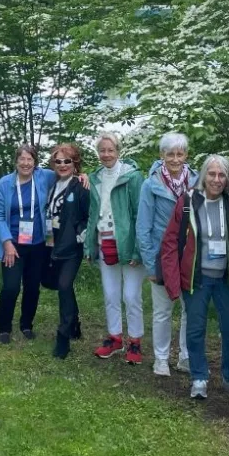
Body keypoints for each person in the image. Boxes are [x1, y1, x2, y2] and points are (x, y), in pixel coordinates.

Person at [160, 154, 229, 400]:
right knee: (195, 329)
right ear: (203, 175)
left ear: (227, 179)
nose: (216, 179)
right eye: (212, 174)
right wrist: (173, 283)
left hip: (226, 280)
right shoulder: (187, 201)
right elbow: (170, 243)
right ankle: (199, 377)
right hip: (196, 278)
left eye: (221, 175)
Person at [136, 132, 195, 377]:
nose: (175, 159)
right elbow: (143, 227)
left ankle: (185, 356)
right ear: (162, 156)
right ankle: (161, 358)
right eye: (170, 154)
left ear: (186, 155)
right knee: (162, 310)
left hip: (190, 257)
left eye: (180, 154)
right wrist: (150, 265)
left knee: (189, 309)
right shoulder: (151, 184)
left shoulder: (196, 181)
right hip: (163, 256)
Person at [86, 132, 145, 364]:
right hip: (104, 243)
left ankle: (135, 341)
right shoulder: (96, 178)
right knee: (110, 295)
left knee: (131, 296)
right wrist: (90, 246)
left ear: (118, 151)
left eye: (110, 150)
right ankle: (115, 338)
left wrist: (138, 250)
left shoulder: (132, 177)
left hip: (128, 245)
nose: (106, 154)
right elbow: (93, 214)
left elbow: (140, 214)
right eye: (102, 150)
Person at [0, 145, 54, 344]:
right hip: (13, 244)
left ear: (35, 162)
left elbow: (67, 173)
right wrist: (7, 243)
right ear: (16, 161)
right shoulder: (5, 184)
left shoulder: (44, 177)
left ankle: (26, 324)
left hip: (38, 244)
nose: (26, 163)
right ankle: (4, 328)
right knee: (10, 287)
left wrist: (83, 177)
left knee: (32, 287)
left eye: (30, 159)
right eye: (22, 159)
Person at [46, 143, 90, 359]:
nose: (63, 165)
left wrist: (79, 233)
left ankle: (62, 337)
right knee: (59, 285)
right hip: (52, 243)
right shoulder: (52, 184)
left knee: (64, 285)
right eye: (58, 161)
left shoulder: (81, 186)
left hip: (72, 246)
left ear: (75, 163)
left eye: (67, 161)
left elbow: (86, 215)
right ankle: (74, 323)